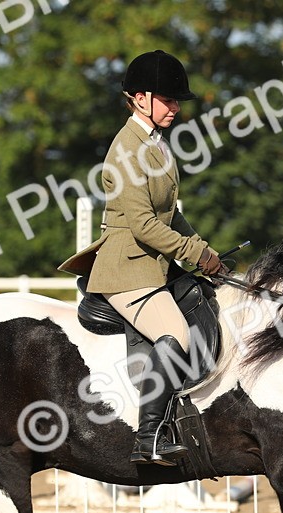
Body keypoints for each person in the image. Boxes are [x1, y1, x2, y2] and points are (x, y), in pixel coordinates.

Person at [59, 50, 226, 466]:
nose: (175, 108)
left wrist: (205, 248)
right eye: (168, 100)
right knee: (175, 333)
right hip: (126, 268)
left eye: (177, 101)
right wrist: (193, 253)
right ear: (138, 98)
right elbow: (143, 225)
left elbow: (172, 212)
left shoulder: (155, 144)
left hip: (153, 263)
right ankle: (148, 436)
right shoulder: (126, 151)